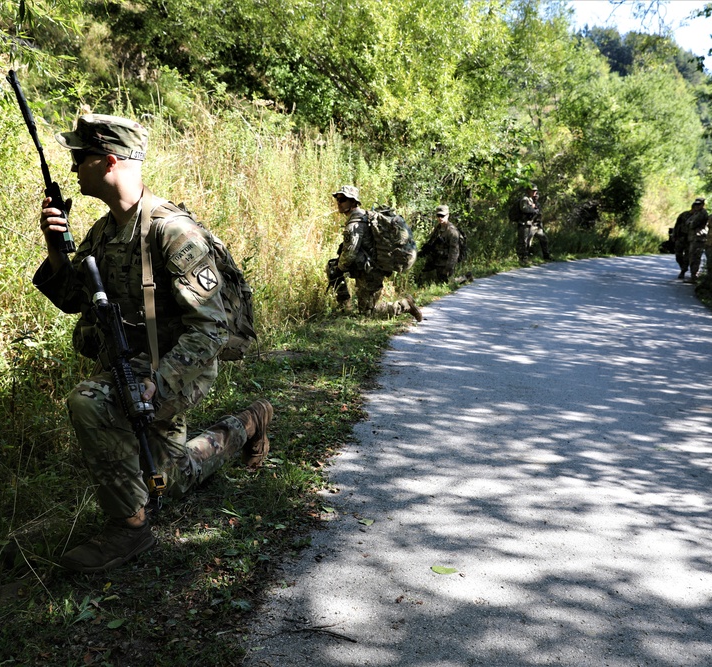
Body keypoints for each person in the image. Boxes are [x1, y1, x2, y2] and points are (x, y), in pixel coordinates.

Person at [34, 113, 273, 573]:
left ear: (107, 162)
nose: (72, 169)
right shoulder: (104, 233)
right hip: (137, 366)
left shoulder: (170, 231)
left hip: (179, 369)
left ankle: (129, 529)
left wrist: (157, 384)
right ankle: (249, 422)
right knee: (170, 479)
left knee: (89, 402)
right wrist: (54, 247)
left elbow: (210, 326)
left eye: (79, 158)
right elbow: (70, 300)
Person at [325, 185, 422, 321]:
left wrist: (340, 269)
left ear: (353, 202)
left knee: (367, 313)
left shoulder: (355, 224)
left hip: (369, 272)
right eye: (338, 199)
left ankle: (403, 306)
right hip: (371, 269)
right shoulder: (364, 216)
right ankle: (345, 310)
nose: (339, 203)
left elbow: (350, 253)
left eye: (343, 199)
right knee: (366, 309)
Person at [417, 205, 472, 286]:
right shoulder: (438, 228)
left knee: (446, 283)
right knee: (421, 274)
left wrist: (449, 268)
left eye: (442, 216)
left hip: (445, 262)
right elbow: (431, 243)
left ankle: (465, 277)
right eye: (438, 215)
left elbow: (454, 252)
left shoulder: (452, 232)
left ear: (448, 215)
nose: (440, 218)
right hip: (435, 259)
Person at [513, 184, 552, 264]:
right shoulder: (525, 199)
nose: (535, 192)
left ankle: (546, 256)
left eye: (536, 191)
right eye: (533, 191)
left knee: (543, 238)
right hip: (525, 224)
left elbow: (538, 212)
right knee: (524, 242)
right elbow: (524, 209)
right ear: (528, 191)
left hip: (534, 224)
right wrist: (533, 209)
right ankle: (523, 258)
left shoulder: (533, 200)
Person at [672, 197, 707, 280]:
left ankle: (684, 271)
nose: (696, 207)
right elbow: (677, 225)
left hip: (691, 238)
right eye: (695, 205)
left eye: (698, 205)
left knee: (688, 256)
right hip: (681, 237)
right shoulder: (684, 214)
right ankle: (683, 268)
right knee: (678, 255)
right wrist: (674, 236)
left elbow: (693, 224)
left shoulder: (700, 214)